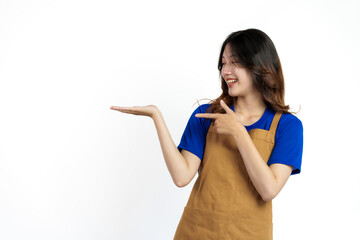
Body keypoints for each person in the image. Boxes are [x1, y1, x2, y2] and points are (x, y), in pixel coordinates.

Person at [110, 28, 303, 240]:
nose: (226, 71)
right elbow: (181, 176)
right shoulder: (205, 115)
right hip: (196, 231)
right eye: (223, 63)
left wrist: (238, 132)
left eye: (235, 62)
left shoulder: (287, 126)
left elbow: (269, 189)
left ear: (259, 65)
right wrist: (156, 117)